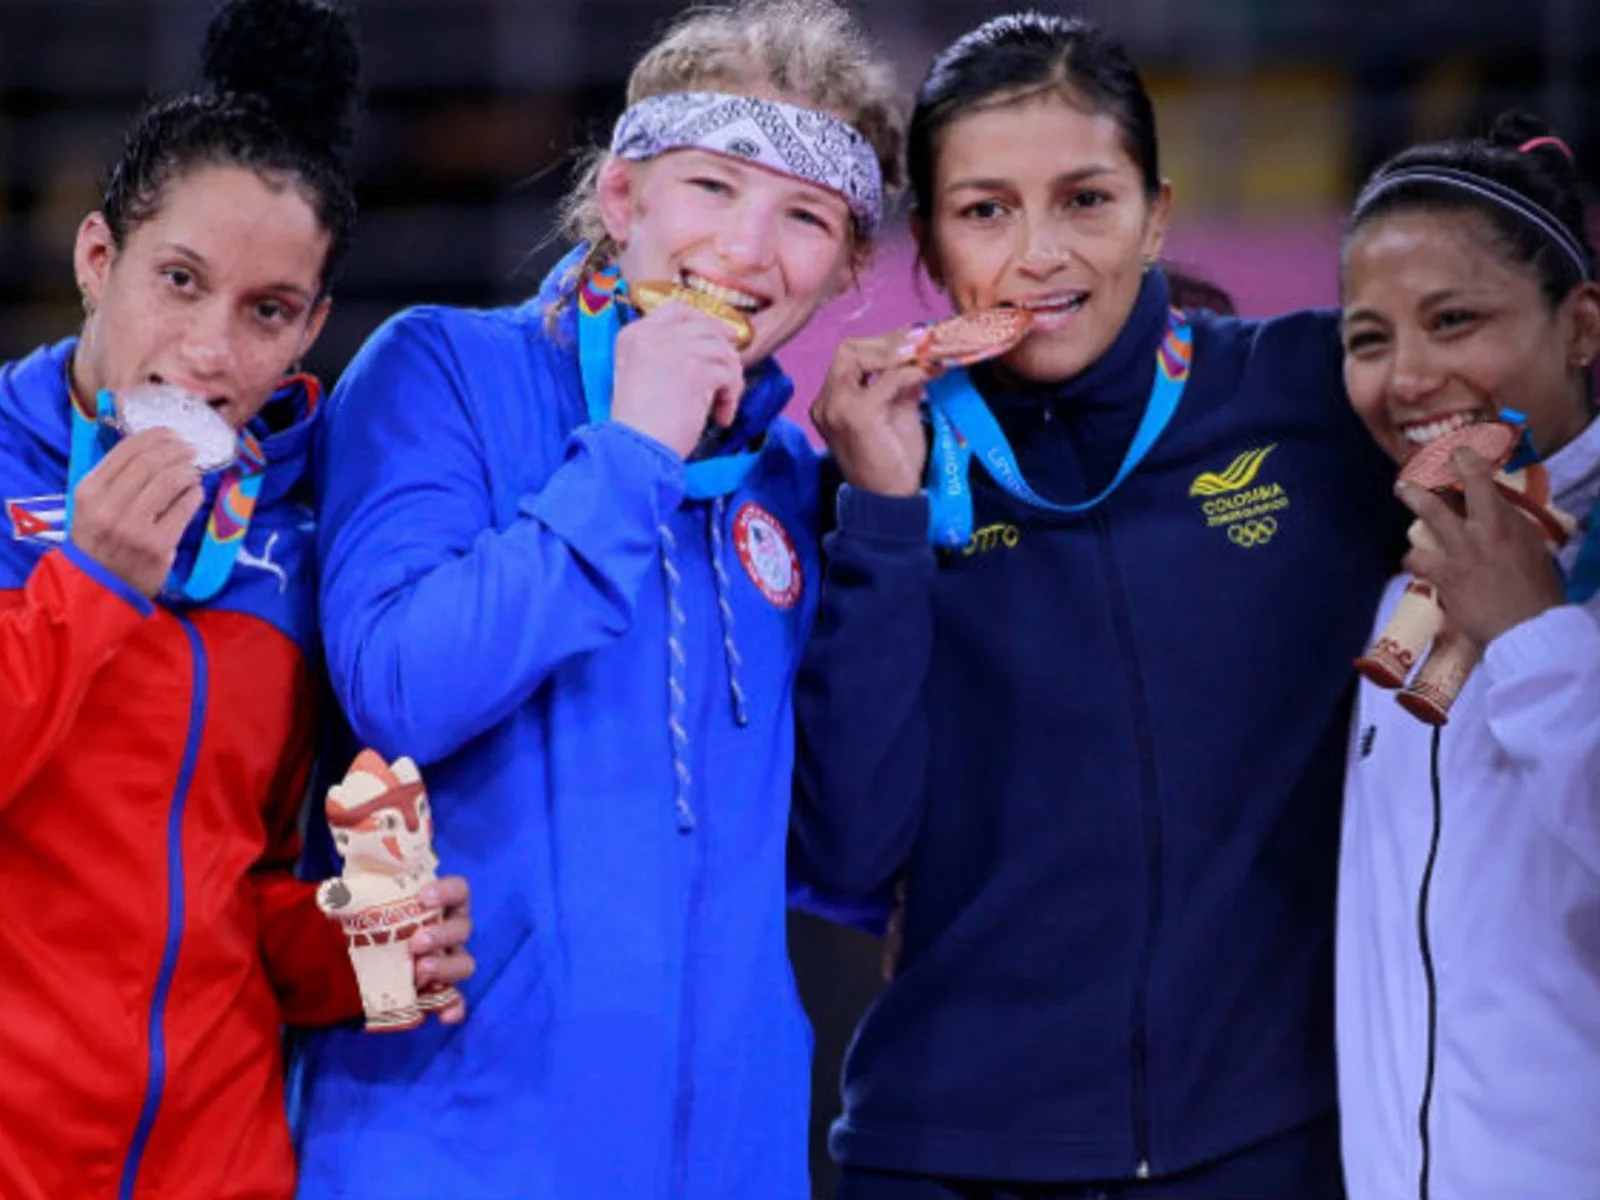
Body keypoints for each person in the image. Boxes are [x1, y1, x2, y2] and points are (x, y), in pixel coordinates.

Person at [289, 2, 903, 1196]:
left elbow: (850, 852)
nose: (746, 249)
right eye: (711, 189)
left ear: (846, 268)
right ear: (621, 199)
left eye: (805, 217)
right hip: (452, 1152)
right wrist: (630, 453)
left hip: (729, 1162)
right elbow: (399, 688)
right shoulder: (441, 371)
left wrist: (880, 522)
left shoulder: (785, 483)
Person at [797, 12, 1407, 1197]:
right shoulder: (878, 470)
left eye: (1085, 199)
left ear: (1156, 213)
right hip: (945, 1151)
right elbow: (850, 852)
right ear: (927, 242)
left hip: (1266, 1144)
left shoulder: (1311, 398)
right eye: (985, 211)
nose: (1039, 255)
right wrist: (879, 513)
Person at [0, 3, 475, 1198]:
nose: (210, 352)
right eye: (178, 280)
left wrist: (366, 953)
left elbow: (238, 896)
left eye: (265, 310)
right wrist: (91, 587)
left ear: (310, 326)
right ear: (96, 257)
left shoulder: (301, 535)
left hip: (213, 1163)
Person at [1336, 114, 1600, 1199]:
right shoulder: (1398, 581)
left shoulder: (1530, 593)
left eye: (1453, 320)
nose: (1408, 378)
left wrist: (1537, 634)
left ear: (1581, 327)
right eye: (1367, 338)